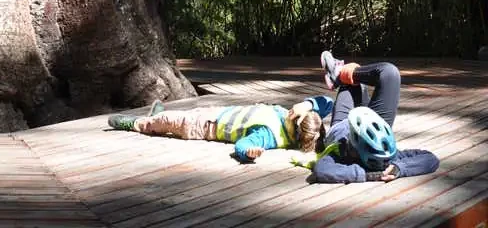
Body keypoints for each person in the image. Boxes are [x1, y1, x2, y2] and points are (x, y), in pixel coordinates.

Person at [312, 51, 440, 183]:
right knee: (389, 73)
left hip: (343, 121)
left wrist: (368, 175)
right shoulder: (388, 157)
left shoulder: (343, 153)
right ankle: (340, 74)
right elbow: (431, 159)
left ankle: (340, 75)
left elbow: (322, 170)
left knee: (352, 85)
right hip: (374, 123)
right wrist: (399, 168)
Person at [107, 93, 333, 162]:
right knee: (172, 117)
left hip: (205, 126)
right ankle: (156, 119)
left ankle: (135, 124)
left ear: (295, 131)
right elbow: (328, 102)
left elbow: (243, 144)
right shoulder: (298, 118)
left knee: (170, 121)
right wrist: (308, 104)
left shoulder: (269, 135)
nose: (291, 113)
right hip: (220, 112)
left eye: (295, 117)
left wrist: (249, 153)